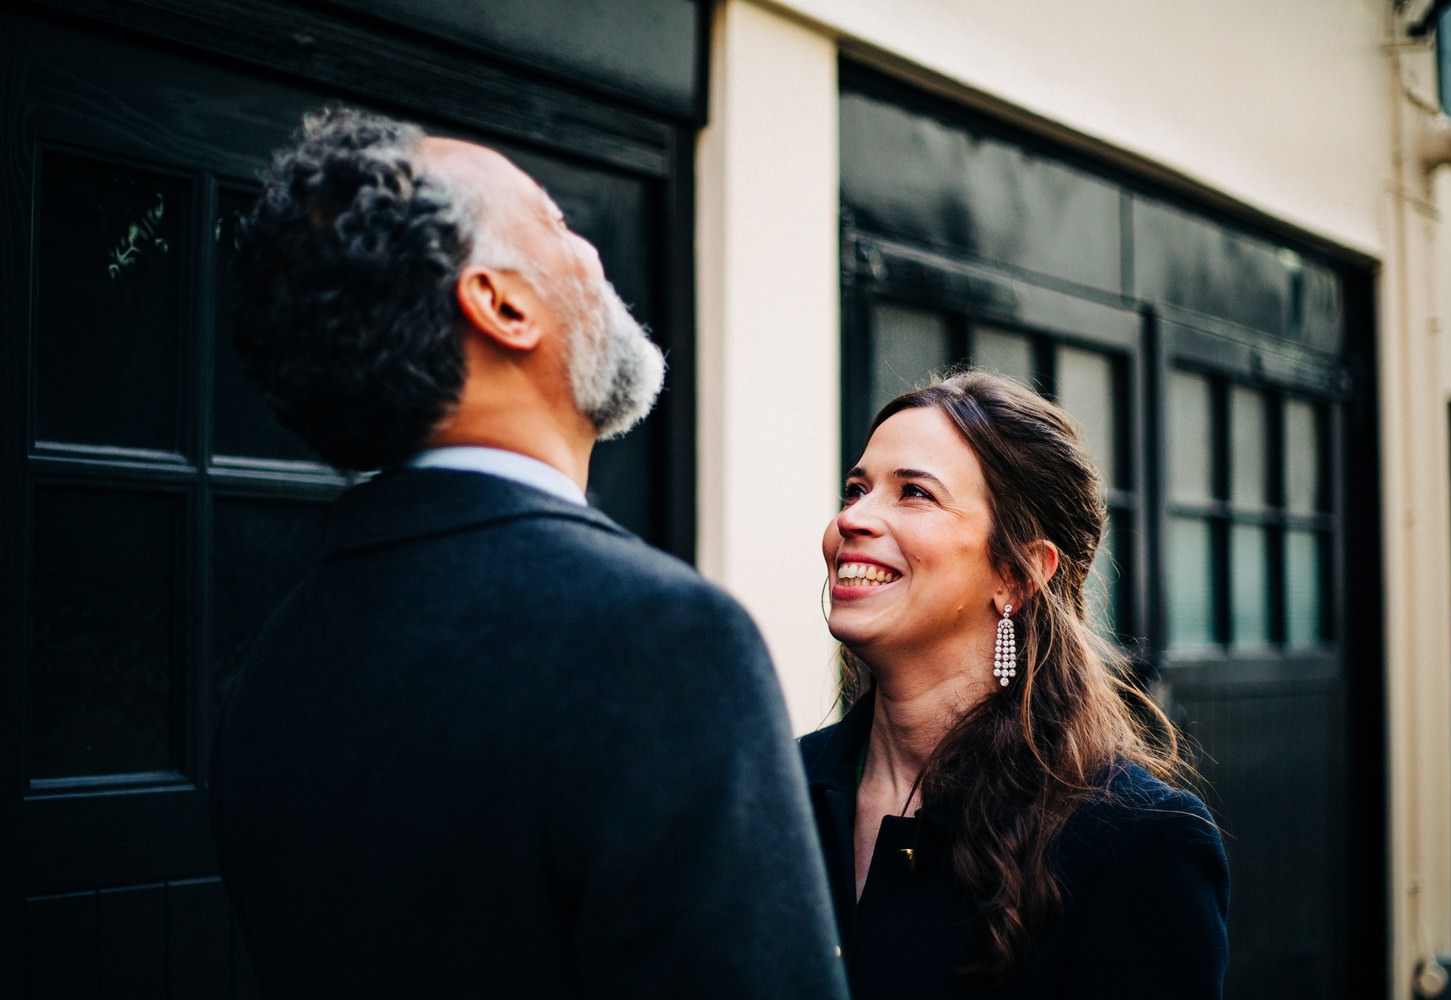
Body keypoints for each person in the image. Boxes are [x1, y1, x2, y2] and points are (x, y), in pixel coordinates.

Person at [211, 107, 848, 999]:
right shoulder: (660, 637)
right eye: (552, 222)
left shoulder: (274, 664)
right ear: (502, 305)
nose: (587, 251)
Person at [800, 370, 1229, 999]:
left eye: (914, 492)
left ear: (1019, 571)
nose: (854, 520)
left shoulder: (1133, 841)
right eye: (855, 490)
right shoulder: (777, 788)